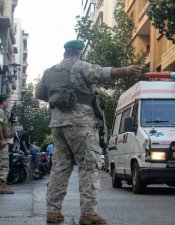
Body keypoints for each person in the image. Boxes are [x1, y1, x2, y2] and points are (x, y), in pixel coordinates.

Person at [35, 40, 141, 224]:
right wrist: (126, 70)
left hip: (58, 124)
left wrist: (58, 99)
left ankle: (53, 211)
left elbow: (39, 94)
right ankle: (88, 212)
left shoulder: (50, 71)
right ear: (80, 53)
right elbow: (102, 74)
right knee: (89, 165)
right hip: (81, 124)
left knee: (60, 167)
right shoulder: (81, 66)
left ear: (65, 52)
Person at [0, 94, 14, 194]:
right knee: (4, 164)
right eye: (7, 101)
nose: (8, 103)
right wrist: (2, 140)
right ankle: (2, 186)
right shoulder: (0, 111)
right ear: (3, 101)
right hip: (2, 141)